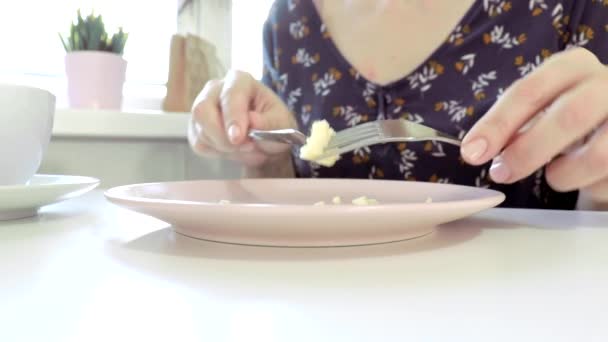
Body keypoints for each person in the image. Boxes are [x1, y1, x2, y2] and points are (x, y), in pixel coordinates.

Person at [188, 0, 608, 210]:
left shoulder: (572, 8)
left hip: (512, 303)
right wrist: (260, 150)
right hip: (326, 301)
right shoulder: (290, 18)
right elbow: (284, 188)